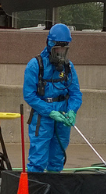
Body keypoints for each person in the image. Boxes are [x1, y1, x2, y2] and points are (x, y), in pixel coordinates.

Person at [23, 23, 82, 173]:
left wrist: (72, 111)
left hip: (63, 117)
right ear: (50, 45)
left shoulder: (69, 67)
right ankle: (35, 192)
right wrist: (49, 111)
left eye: (64, 49)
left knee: (57, 158)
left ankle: (53, 192)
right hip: (42, 118)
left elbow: (75, 93)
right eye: (57, 49)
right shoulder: (35, 65)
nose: (60, 53)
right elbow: (29, 95)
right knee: (38, 159)